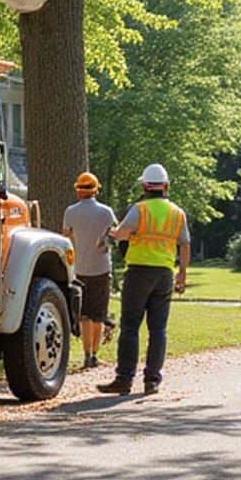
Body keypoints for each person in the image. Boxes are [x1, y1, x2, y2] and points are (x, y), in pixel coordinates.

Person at [97, 163, 190, 396]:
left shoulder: (140, 209)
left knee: (130, 327)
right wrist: (182, 274)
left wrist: (113, 233)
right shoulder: (177, 213)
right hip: (165, 273)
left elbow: (122, 234)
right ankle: (152, 381)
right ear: (166, 186)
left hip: (139, 271)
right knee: (158, 329)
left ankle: (124, 379)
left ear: (144, 186)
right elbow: (185, 244)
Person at [61, 171, 117, 369]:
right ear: (95, 190)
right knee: (98, 315)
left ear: (78, 191)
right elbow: (115, 234)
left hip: (80, 269)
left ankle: (86, 355)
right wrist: (103, 243)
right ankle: (94, 355)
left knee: (84, 315)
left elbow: (65, 236)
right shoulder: (106, 212)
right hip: (101, 268)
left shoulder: (70, 212)